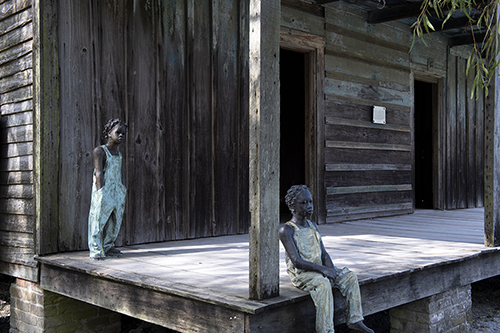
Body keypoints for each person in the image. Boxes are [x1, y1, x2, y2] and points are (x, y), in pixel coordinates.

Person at [279, 185, 374, 333]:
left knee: (349, 277)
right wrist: (324, 271)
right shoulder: (287, 229)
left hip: (319, 267)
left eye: (310, 202)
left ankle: (355, 320)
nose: (309, 206)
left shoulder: (313, 226)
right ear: (292, 206)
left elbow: (323, 253)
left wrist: (331, 270)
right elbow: (297, 261)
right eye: (303, 203)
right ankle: (326, 330)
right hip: (302, 273)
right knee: (323, 284)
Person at [88, 119, 128, 261]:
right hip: (104, 191)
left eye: (124, 133)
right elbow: (99, 173)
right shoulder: (100, 151)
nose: (121, 135)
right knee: (98, 219)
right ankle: (96, 249)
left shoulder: (119, 153)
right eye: (118, 132)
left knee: (115, 220)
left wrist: (123, 188)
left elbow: (121, 172)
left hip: (117, 191)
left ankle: (108, 245)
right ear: (109, 133)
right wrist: (101, 191)